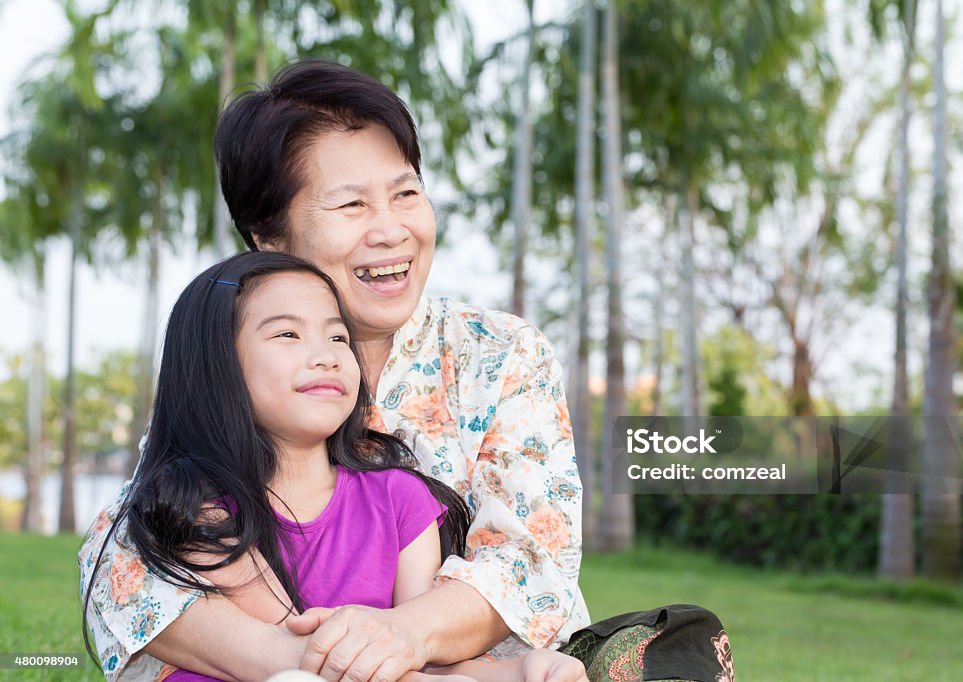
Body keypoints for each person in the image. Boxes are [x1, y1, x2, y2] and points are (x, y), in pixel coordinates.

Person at [79, 60, 589, 682]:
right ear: (267, 237)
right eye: (350, 204)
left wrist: (398, 635)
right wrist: (315, 664)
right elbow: (128, 556)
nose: (391, 229)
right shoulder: (229, 357)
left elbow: (531, 561)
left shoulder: (502, 352)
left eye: (406, 193)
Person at [81, 250, 587, 682]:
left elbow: (415, 663)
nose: (325, 356)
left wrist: (525, 671)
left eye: (337, 338)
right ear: (216, 366)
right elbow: (306, 660)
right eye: (287, 335)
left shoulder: (401, 499)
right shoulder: (200, 509)